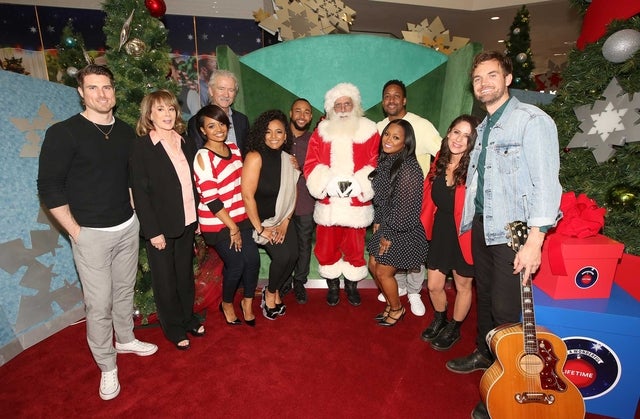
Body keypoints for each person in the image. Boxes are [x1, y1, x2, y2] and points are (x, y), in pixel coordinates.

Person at [444, 51, 562, 419]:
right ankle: (484, 352)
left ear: (508, 78)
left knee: (509, 312)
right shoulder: (484, 126)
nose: (484, 84)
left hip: (515, 231)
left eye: (492, 76)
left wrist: (535, 239)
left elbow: (546, 183)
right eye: (478, 79)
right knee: (487, 298)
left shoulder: (531, 120)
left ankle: (508, 384)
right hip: (483, 225)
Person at [37, 64, 157, 401]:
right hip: (90, 234)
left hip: (126, 228)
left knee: (123, 292)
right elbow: (49, 187)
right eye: (93, 88)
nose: (102, 94)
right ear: (81, 92)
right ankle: (107, 365)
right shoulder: (64, 133)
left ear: (114, 91)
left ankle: (126, 339)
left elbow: (130, 177)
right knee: (99, 304)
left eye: (107, 87)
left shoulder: (124, 133)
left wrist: (134, 213)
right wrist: (75, 231)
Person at [130, 90, 204, 351]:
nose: (167, 114)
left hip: (187, 221)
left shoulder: (184, 141)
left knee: (184, 275)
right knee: (165, 280)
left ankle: (188, 317)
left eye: (171, 109)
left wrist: (196, 220)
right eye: (160, 110)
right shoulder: (142, 146)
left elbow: (191, 183)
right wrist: (153, 232)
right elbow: (140, 193)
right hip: (160, 228)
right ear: (149, 115)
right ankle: (173, 328)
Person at [304, 83, 379, 306]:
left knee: (355, 249)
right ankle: (333, 284)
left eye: (348, 104)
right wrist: (328, 182)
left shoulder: (370, 129)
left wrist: (359, 184)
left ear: (355, 105)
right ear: (331, 109)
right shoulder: (321, 132)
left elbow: (375, 162)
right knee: (326, 248)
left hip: (356, 204)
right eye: (339, 105)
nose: (344, 109)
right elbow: (311, 163)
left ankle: (352, 285)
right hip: (329, 203)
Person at [376, 79, 442, 317]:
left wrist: (434, 187)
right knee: (391, 255)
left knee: (413, 248)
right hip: (389, 203)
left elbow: (443, 153)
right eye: (386, 96)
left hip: (416, 197)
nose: (391, 100)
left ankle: (414, 291)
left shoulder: (421, 125)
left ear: (404, 100)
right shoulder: (380, 127)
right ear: (383, 102)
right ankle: (400, 287)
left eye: (396, 96)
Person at [193, 104, 260, 326]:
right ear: (203, 130)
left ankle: (247, 303)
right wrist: (232, 227)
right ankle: (228, 303)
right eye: (211, 126)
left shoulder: (234, 148)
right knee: (237, 264)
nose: (218, 129)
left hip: (241, 217)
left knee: (253, 260)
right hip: (218, 222)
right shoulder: (203, 157)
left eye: (221, 123)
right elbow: (211, 199)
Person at [420, 115, 479, 350]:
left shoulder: (475, 169)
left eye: (467, 136)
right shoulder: (439, 162)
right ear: (448, 133)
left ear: (472, 142)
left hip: (465, 234)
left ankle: (454, 327)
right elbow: (428, 197)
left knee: (463, 285)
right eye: (456, 132)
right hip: (441, 231)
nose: (459, 139)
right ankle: (440, 318)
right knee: (434, 285)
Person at [368, 119, 428, 326]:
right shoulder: (387, 162)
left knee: (384, 272)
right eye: (386, 134)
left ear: (406, 143)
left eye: (396, 137)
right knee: (373, 265)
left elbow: (406, 210)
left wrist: (389, 236)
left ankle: (397, 309)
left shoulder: (409, 169)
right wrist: (377, 220)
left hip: (402, 230)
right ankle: (390, 305)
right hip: (386, 223)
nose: (388, 140)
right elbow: (381, 199)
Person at [241, 110, 299, 320]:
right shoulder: (255, 157)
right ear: (261, 134)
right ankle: (271, 292)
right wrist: (261, 229)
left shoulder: (288, 159)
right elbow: (247, 196)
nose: (273, 136)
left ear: (286, 136)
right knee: (283, 256)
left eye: (279, 132)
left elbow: (293, 191)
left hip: (283, 217)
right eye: (268, 132)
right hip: (260, 221)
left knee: (293, 255)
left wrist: (285, 222)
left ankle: (272, 291)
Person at [279, 98, 315, 304]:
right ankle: (283, 281)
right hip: (282, 204)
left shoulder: (314, 140)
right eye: (298, 111)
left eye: (307, 112)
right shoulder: (279, 137)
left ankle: (300, 282)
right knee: (284, 243)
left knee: (303, 244)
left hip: (305, 202)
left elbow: (320, 168)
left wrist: (301, 168)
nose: (302, 115)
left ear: (310, 117)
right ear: (290, 113)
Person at [188, 69, 250, 153]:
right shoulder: (196, 122)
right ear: (211, 91)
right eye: (221, 89)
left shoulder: (242, 120)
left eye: (231, 90)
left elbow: (247, 152)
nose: (226, 94)